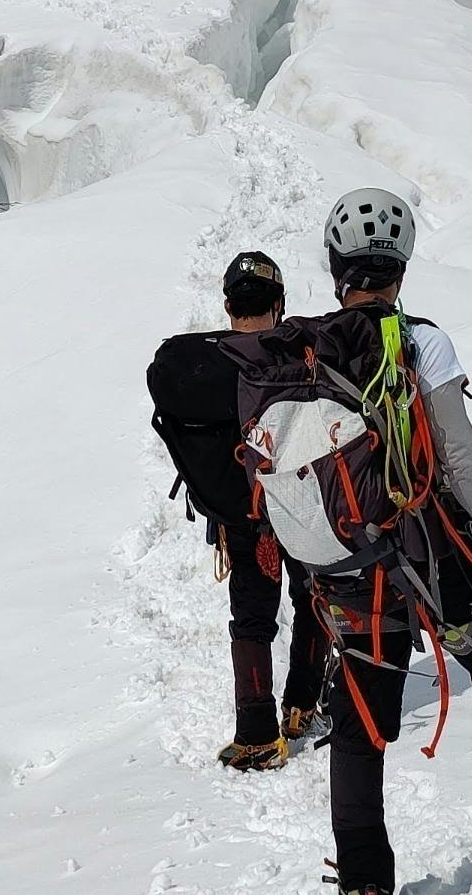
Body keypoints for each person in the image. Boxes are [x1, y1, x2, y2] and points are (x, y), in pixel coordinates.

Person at [280, 189, 472, 895]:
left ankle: (365, 884)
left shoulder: (306, 351)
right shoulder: (421, 341)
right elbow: (458, 459)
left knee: (358, 719)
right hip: (434, 559)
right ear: (401, 266)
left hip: (349, 565)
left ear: (335, 265)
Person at [146, 250, 332, 771]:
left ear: (228, 305)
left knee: (251, 618)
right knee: (311, 595)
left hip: (239, 515)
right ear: (280, 303)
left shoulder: (203, 367)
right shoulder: (293, 357)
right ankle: (302, 707)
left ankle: (255, 733)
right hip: (298, 505)